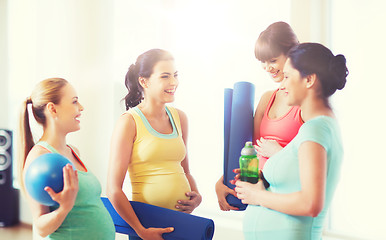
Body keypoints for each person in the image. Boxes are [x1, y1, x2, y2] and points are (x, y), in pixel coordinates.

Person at [235, 42, 348, 239]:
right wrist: (260, 185)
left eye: (287, 76)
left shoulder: (316, 129)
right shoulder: (317, 128)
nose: (283, 84)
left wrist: (258, 196)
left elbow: (310, 203)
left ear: (309, 80)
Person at [107, 49, 202, 240]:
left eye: (175, 75)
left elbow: (185, 170)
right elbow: (113, 189)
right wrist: (140, 230)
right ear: (144, 81)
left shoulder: (180, 117)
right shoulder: (129, 121)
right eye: (165, 76)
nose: (173, 82)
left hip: (181, 223)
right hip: (146, 227)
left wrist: (196, 195)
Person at [215, 21, 303, 211]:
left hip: (287, 198)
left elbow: (312, 163)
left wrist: (279, 153)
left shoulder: (305, 101)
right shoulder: (267, 98)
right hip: (258, 197)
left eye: (272, 60)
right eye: (262, 62)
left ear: (292, 52)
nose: (267, 68)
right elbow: (250, 151)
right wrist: (222, 180)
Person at [18, 78, 115, 239]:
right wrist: (64, 208)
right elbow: (41, 227)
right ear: (53, 109)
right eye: (74, 102)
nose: (81, 107)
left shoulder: (73, 151)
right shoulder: (39, 157)